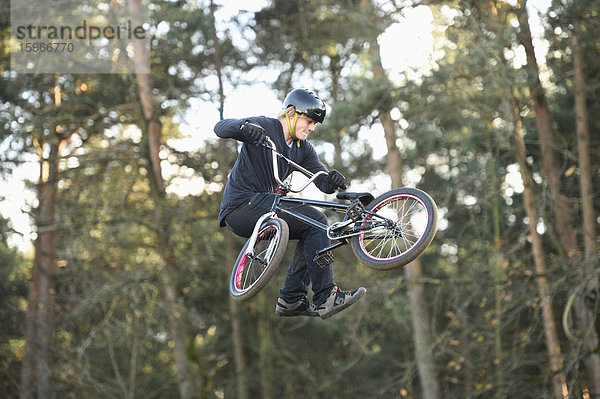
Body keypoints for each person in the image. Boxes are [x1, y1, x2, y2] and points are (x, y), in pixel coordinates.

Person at [214, 88, 366, 319]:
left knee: (314, 227)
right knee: (315, 219)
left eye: (315, 124)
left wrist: (332, 180)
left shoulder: (303, 150)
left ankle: (291, 298)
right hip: (241, 207)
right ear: (292, 113)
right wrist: (245, 129)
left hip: (269, 208)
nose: (312, 128)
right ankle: (326, 297)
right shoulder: (265, 127)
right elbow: (220, 128)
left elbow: (323, 183)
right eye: (309, 121)